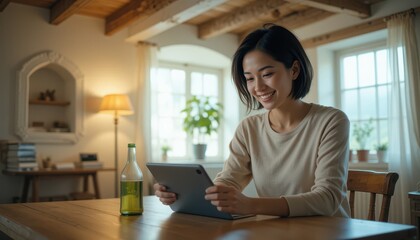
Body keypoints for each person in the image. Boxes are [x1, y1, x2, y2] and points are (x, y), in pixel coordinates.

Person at [154, 24, 350, 218]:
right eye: (249, 78)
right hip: (277, 232)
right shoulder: (249, 128)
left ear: (295, 70)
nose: (258, 87)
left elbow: (327, 198)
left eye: (267, 74)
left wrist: (250, 205)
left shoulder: (331, 121)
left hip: (329, 232)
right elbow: (228, 181)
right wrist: (181, 193)